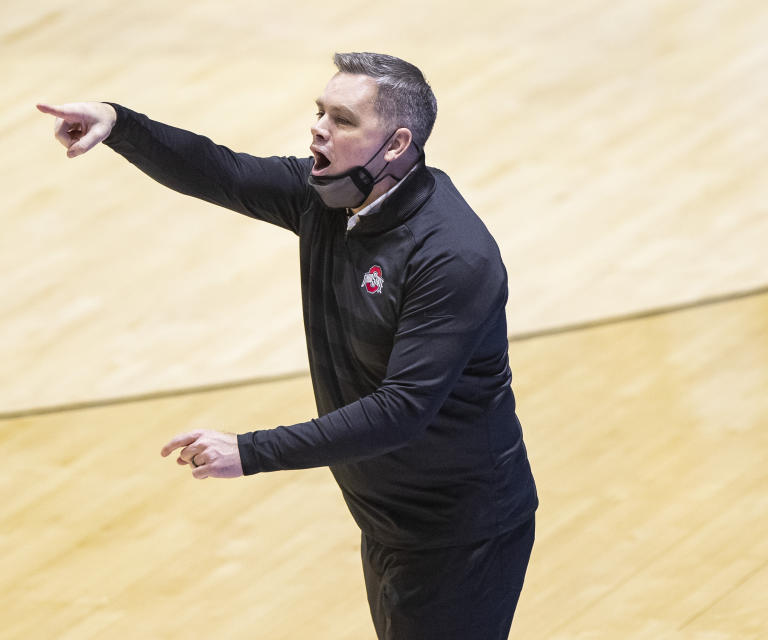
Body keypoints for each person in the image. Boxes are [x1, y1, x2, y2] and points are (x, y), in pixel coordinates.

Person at [38, 52, 538, 640]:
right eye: (320, 111)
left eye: (343, 119)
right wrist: (119, 123)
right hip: (388, 517)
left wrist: (249, 451)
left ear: (397, 143)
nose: (319, 128)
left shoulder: (451, 256)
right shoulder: (325, 199)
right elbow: (221, 171)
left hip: (461, 531)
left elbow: (400, 411)